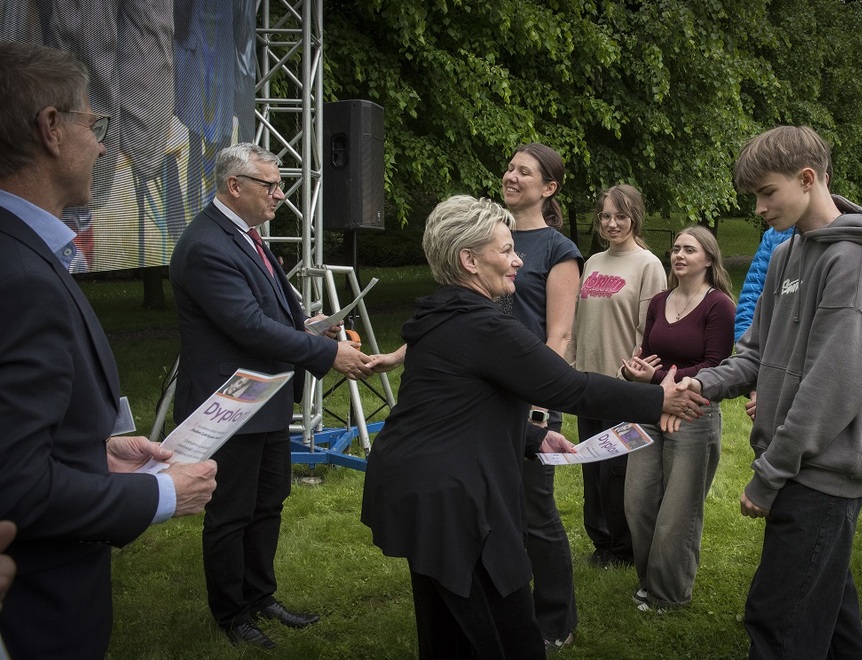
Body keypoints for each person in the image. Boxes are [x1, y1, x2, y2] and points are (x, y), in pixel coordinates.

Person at [360, 195, 708, 659]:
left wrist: (533, 436)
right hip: (452, 500)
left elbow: (457, 402)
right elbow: (571, 388)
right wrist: (658, 396)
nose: (518, 260)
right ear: (468, 260)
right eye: (505, 251)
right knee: (500, 630)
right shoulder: (484, 327)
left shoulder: (441, 315)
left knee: (450, 626)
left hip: (423, 488)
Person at [0, 41, 218, 659]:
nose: (101, 146)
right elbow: (15, 488)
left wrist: (91, 449)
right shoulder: (19, 276)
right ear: (50, 129)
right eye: (93, 125)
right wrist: (163, 493)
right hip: (37, 615)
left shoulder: (22, 253)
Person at [674, 125, 862, 658]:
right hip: (798, 465)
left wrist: (770, 474)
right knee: (829, 614)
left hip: (820, 472)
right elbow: (754, 353)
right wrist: (700, 382)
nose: (757, 207)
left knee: (779, 623)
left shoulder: (852, 261)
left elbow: (834, 385)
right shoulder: (785, 256)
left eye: (766, 192)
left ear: (807, 178)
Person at [170, 142, 375, 649]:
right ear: (234, 186)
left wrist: (311, 327)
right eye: (271, 185)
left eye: (280, 185)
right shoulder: (206, 245)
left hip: (263, 397)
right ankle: (231, 612)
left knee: (268, 502)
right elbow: (247, 327)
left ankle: (260, 596)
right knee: (231, 512)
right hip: (229, 404)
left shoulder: (244, 236)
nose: (280, 195)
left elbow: (271, 314)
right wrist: (325, 355)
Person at [621, 226, 735, 611]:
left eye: (690, 249)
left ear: (709, 258)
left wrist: (654, 377)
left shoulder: (718, 304)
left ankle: (669, 595)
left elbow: (715, 365)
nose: (679, 255)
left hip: (693, 411)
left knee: (678, 510)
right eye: (675, 249)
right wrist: (634, 371)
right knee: (638, 500)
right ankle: (647, 580)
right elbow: (648, 352)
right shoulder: (658, 301)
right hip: (650, 406)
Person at [499, 142, 583, 651]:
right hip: (484, 391)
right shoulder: (490, 236)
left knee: (535, 510)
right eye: (509, 168)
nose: (511, 176)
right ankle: (504, 601)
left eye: (523, 172)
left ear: (548, 188)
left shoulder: (558, 249)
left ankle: (555, 618)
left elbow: (559, 337)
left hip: (531, 394)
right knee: (491, 502)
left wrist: (537, 403)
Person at [569, 184, 667, 568]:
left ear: (635, 218)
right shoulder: (592, 262)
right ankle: (601, 542)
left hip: (621, 386)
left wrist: (632, 376)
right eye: (605, 216)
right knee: (591, 468)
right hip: (585, 383)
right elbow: (578, 324)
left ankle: (623, 548)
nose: (611, 223)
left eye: (620, 216)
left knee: (617, 472)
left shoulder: (648, 264)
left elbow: (650, 331)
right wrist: (572, 369)